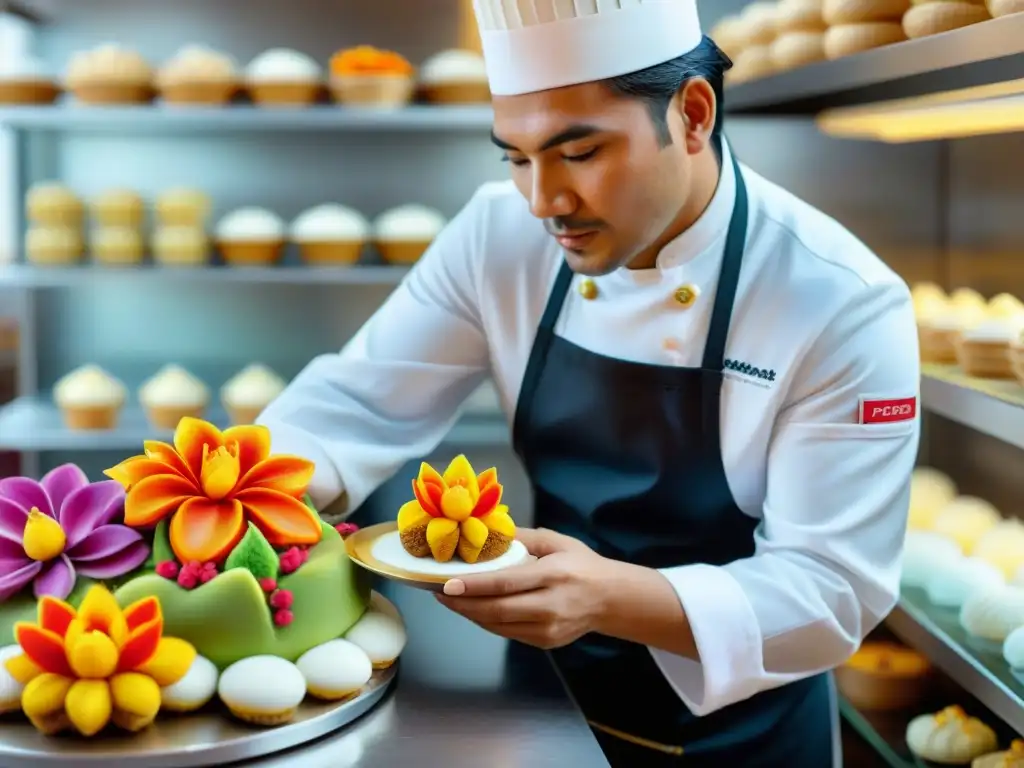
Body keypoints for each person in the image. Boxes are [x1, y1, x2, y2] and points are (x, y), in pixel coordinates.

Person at [258, 1, 921, 764]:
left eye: (579, 153)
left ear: (694, 114)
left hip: (746, 734)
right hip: (549, 710)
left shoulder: (839, 299)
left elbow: (830, 592)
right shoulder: (497, 234)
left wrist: (605, 598)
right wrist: (229, 493)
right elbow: (352, 403)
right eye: (515, 157)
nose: (545, 203)